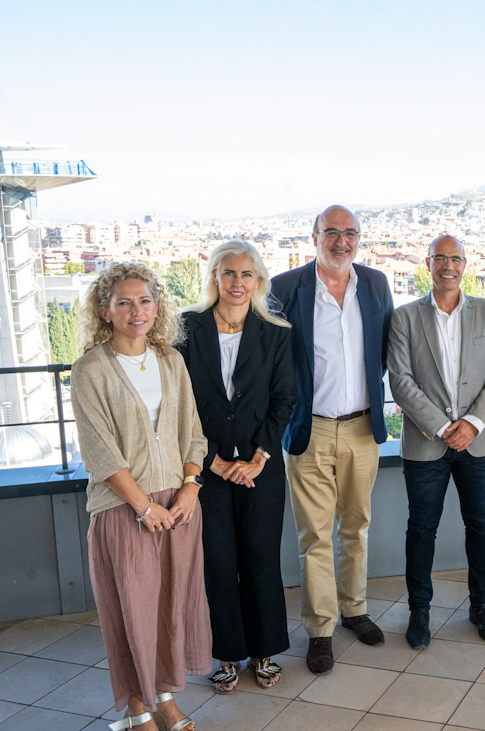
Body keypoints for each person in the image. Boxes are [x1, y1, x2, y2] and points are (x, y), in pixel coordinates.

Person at [71, 263, 209, 731]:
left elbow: (193, 431)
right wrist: (143, 506)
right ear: (105, 311)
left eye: (144, 301)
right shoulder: (90, 368)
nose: (136, 311)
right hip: (124, 509)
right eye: (124, 302)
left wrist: (191, 487)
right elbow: (100, 451)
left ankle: (165, 697)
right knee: (131, 612)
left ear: (157, 307)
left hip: (179, 505)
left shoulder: (171, 360)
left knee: (170, 608)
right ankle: (136, 708)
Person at [269, 205, 395, 673]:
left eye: (350, 233)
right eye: (332, 233)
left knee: (356, 526)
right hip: (310, 427)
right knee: (315, 535)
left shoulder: (377, 283)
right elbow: (275, 360)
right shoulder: (286, 288)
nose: (342, 242)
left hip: (363, 426)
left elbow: (383, 350)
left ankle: (354, 609)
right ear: (314, 236)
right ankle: (320, 629)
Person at [177, 241, 296, 693]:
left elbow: (285, 398)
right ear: (214, 277)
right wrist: (216, 461)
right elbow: (180, 405)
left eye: (247, 275)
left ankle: (263, 650)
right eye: (229, 273)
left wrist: (258, 459)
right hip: (206, 470)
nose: (238, 283)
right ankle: (227, 655)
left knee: (262, 562)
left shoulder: (277, 332)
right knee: (219, 565)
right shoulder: (187, 329)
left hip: (260, 469)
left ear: (259, 281)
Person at [388, 234, 485, 650]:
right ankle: (419, 611)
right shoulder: (404, 317)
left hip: (478, 443)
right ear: (428, 264)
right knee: (422, 530)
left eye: (455, 259)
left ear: (465, 264)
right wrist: (444, 428)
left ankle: (482, 606)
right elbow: (400, 381)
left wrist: (472, 424)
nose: (448, 266)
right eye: (440, 258)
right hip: (426, 444)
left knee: (481, 526)